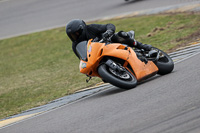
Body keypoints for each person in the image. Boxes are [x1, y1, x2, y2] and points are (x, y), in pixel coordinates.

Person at [66, 19, 152, 59]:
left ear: (82, 29)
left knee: (120, 35)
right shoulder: (76, 46)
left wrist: (109, 31)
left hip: (109, 43)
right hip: (99, 55)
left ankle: (142, 46)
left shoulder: (91, 28)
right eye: (72, 35)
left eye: (76, 33)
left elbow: (108, 25)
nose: (75, 37)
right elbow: (83, 59)